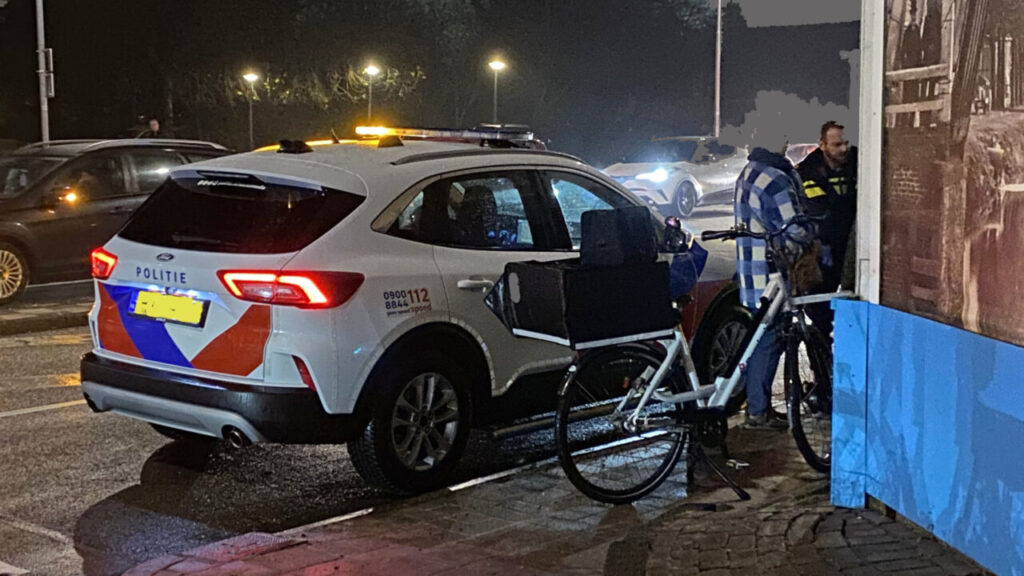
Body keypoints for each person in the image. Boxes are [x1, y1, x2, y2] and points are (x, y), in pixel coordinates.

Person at [735, 142, 815, 429]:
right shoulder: (776, 178)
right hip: (772, 274)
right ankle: (758, 411)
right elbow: (794, 227)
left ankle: (756, 404)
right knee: (770, 340)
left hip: (750, 271)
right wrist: (814, 229)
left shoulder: (749, 170)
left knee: (758, 339)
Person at [796, 121, 858, 339]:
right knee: (819, 306)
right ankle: (821, 350)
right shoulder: (809, 172)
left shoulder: (859, 162)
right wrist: (823, 245)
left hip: (853, 243)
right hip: (826, 246)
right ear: (822, 145)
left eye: (846, 143)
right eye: (837, 145)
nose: (844, 149)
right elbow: (819, 213)